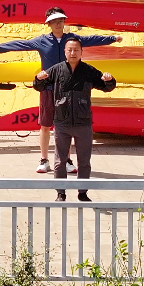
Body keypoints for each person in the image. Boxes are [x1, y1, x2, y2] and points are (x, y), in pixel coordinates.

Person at [0, 7, 121, 174]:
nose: (58, 24)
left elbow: (91, 39)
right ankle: (44, 160)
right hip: (49, 89)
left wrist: (112, 38)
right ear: (48, 24)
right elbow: (21, 44)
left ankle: (67, 160)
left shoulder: (72, 41)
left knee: (67, 126)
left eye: (61, 21)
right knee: (45, 125)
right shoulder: (41, 41)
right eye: (55, 21)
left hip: (68, 91)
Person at [32, 37, 116, 201]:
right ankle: (60, 192)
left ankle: (82, 193)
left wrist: (109, 80)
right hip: (62, 122)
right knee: (60, 161)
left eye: (76, 50)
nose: (73, 53)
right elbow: (39, 86)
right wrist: (38, 79)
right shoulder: (56, 70)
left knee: (84, 161)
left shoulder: (88, 71)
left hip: (83, 122)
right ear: (65, 52)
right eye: (69, 50)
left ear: (81, 52)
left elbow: (106, 87)